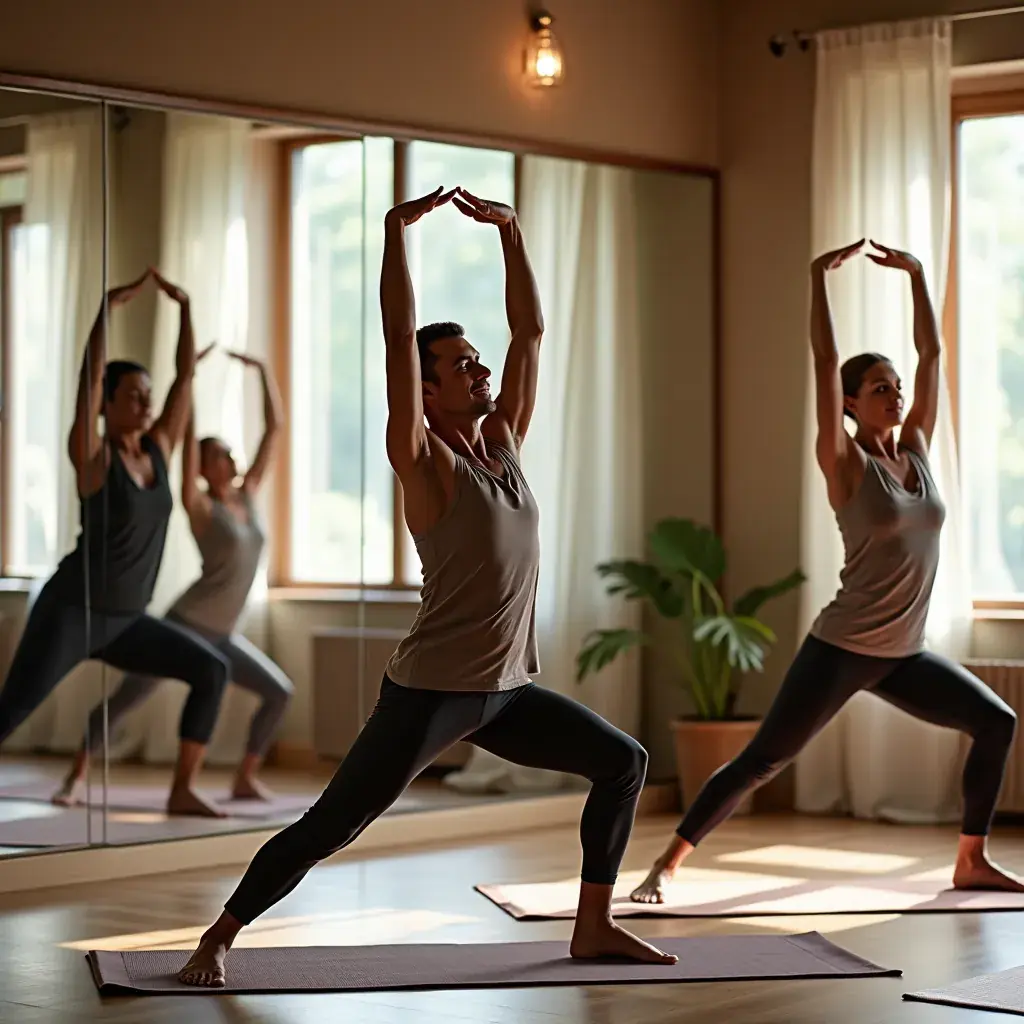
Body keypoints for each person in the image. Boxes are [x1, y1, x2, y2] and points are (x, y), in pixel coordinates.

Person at [177, 184, 676, 987]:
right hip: (430, 694)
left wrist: (511, 231)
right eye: (460, 364)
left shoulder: (503, 444)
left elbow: (531, 332)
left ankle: (594, 926)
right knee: (333, 824)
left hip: (506, 691)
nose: (480, 368)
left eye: (477, 359)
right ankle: (219, 936)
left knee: (623, 762)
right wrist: (394, 234)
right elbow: (396, 337)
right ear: (427, 390)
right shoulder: (425, 460)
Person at [630, 238, 1021, 905]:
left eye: (896, 387)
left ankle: (970, 860)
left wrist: (917, 276)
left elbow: (932, 355)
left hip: (903, 654)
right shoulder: (844, 462)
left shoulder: (917, 449)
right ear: (849, 404)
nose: (895, 395)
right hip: (841, 649)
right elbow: (822, 361)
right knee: (763, 760)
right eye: (879, 388)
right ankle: (665, 866)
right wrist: (817, 277)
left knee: (997, 721)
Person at [0, 267, 232, 818]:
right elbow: (88, 379)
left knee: (211, 670)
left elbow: (184, 380)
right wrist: (105, 311)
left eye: (148, 395)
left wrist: (186, 310)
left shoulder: (158, 450)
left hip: (127, 619)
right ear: (107, 404)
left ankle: (182, 789)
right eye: (133, 395)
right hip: (71, 611)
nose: (146, 404)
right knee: (10, 714)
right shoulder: (94, 455)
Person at [52, 349, 291, 810]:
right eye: (218, 454)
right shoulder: (200, 507)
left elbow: (274, 430)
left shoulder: (248, 495)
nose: (231, 458)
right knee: (125, 701)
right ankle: (74, 777)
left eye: (229, 452)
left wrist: (264, 370)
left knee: (279, 692)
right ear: (202, 467)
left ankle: (245, 778)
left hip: (224, 634)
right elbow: (184, 446)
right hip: (186, 624)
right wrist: (190, 382)